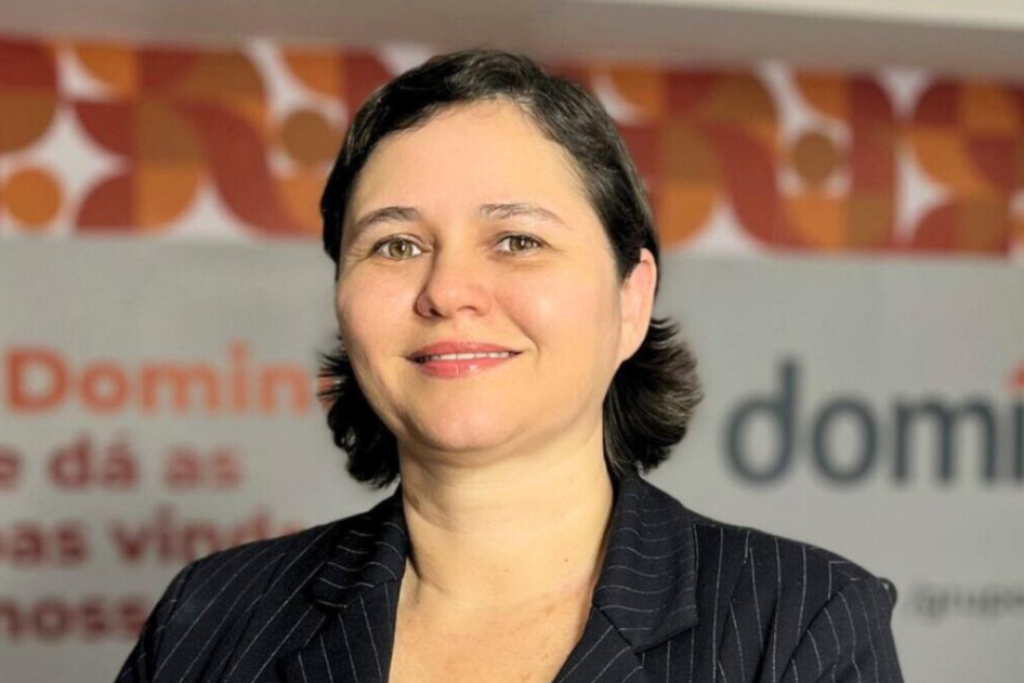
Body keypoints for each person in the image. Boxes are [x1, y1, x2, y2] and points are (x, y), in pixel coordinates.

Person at [114, 49, 903, 683]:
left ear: (631, 299)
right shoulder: (211, 616)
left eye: (518, 240)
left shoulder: (798, 621)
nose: (447, 290)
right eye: (396, 244)